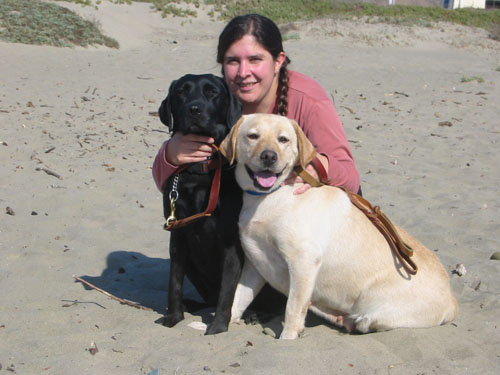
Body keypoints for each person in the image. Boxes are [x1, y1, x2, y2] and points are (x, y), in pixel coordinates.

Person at [153, 14, 360, 195]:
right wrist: (171, 156)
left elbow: (351, 178)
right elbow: (164, 183)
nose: (243, 73)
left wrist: (317, 168)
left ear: (278, 61)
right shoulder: (216, 100)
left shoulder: (309, 100)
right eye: (233, 61)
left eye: (255, 60)